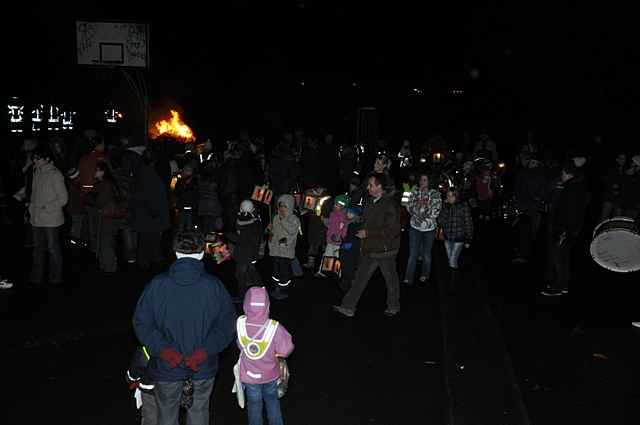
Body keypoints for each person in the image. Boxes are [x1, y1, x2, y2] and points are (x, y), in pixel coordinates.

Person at [132, 231, 236, 425]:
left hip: (167, 367)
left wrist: (165, 351)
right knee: (198, 412)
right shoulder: (214, 287)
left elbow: (142, 323)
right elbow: (226, 326)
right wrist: (203, 352)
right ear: (202, 252)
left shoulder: (157, 285)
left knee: (167, 414)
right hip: (202, 366)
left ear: (175, 251)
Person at [333, 173, 401, 317]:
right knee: (359, 278)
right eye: (368, 184)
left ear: (380, 187)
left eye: (371, 185)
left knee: (391, 280)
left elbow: (392, 230)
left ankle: (393, 306)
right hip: (370, 248)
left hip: (385, 250)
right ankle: (348, 307)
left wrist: (368, 233)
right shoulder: (371, 201)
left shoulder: (390, 204)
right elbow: (366, 219)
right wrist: (356, 218)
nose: (368, 187)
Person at [236, 286, 294, 425]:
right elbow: (286, 349)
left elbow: (240, 344)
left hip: (249, 377)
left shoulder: (240, 323)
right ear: (268, 306)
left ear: (245, 305)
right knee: (272, 401)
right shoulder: (274, 327)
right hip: (270, 376)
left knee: (254, 406)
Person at [541, 162, 589, 296]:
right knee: (564, 257)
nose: (560, 175)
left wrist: (562, 229)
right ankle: (563, 285)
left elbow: (569, 212)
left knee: (558, 257)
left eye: (562, 173)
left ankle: (557, 286)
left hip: (563, 228)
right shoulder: (577, 187)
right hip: (569, 229)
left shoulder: (570, 189)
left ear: (569, 174)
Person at [29, 146, 69, 287]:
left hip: (51, 219)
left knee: (53, 249)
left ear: (47, 159)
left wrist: (46, 208)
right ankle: (36, 277)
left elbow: (63, 198)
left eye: (37, 158)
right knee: (38, 249)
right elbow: (34, 194)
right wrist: (31, 208)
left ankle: (55, 277)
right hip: (36, 218)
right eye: (33, 158)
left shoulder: (55, 174)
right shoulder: (37, 171)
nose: (34, 160)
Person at [403, 173, 442, 286]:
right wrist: (421, 206)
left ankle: (425, 274)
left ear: (430, 181)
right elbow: (409, 207)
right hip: (415, 228)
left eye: (425, 180)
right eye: (421, 180)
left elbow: (435, 212)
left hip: (429, 230)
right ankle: (408, 277)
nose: (422, 182)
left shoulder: (435, 194)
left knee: (426, 254)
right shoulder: (414, 192)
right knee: (413, 254)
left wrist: (422, 208)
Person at [226, 200, 263, 302]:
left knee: (241, 275)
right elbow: (257, 238)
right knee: (252, 272)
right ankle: (260, 290)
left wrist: (227, 235)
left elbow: (239, 238)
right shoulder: (257, 222)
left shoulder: (239, 221)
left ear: (241, 209)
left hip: (242, 255)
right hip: (252, 254)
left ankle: (242, 296)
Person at [437, 188, 473, 292]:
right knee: (451, 261)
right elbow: (440, 221)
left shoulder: (463, 206)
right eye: (448, 195)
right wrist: (444, 208)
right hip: (448, 238)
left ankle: (453, 286)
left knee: (452, 261)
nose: (449, 198)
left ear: (456, 196)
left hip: (459, 238)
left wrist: (468, 239)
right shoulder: (445, 206)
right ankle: (456, 280)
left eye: (451, 195)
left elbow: (468, 222)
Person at [268, 195, 301, 301]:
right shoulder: (276, 217)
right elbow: (273, 232)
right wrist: (270, 233)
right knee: (275, 270)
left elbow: (291, 231)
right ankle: (276, 287)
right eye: (280, 206)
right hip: (276, 250)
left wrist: (283, 220)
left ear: (290, 207)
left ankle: (283, 290)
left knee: (284, 271)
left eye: (285, 206)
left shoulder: (294, 219)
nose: (282, 208)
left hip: (286, 251)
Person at [315, 194, 349, 278]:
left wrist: (342, 236)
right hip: (331, 240)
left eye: (338, 205)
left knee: (338, 258)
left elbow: (344, 228)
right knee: (327, 255)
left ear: (343, 206)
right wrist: (324, 220)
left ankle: (339, 274)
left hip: (338, 242)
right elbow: (330, 224)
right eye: (335, 204)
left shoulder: (344, 217)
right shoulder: (333, 214)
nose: (335, 206)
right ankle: (323, 271)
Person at [338, 206, 363, 292]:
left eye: (350, 213)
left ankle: (348, 284)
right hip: (350, 248)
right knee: (348, 265)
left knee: (349, 266)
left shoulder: (354, 225)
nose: (348, 214)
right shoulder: (350, 224)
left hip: (351, 249)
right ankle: (348, 283)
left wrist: (344, 246)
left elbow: (353, 239)